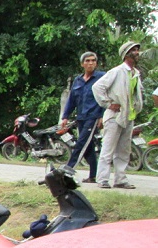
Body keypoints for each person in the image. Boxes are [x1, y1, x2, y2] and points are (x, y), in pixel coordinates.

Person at [92, 41, 143, 190]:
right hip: (114, 115)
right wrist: (108, 103)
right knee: (108, 148)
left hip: (128, 116)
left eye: (137, 50)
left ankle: (120, 179)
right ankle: (103, 179)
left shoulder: (135, 73)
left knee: (124, 150)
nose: (137, 53)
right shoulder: (117, 71)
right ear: (126, 54)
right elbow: (97, 87)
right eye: (134, 50)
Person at [60, 52, 105, 183]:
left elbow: (107, 96)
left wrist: (102, 115)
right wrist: (65, 116)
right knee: (88, 147)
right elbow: (72, 100)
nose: (90, 63)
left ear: (96, 63)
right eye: (87, 61)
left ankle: (67, 171)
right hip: (81, 117)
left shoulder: (102, 77)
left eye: (93, 61)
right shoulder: (78, 80)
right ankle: (93, 175)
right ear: (82, 64)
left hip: (94, 116)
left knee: (81, 143)